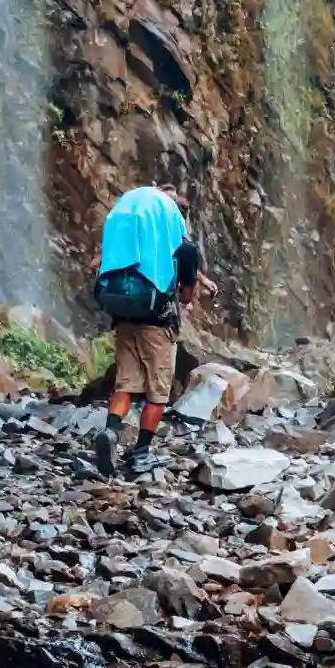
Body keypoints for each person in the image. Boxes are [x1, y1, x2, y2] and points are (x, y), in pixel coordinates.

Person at [89, 184, 217, 477]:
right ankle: (141, 453)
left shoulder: (134, 239)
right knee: (158, 392)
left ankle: (110, 432)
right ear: (180, 219)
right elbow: (185, 296)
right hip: (158, 326)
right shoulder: (183, 248)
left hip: (123, 319)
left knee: (125, 384)